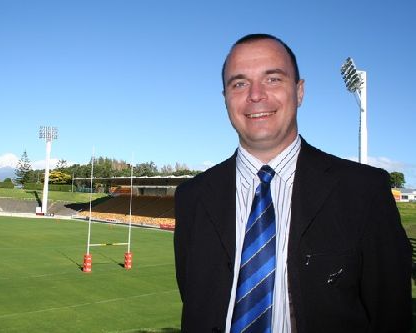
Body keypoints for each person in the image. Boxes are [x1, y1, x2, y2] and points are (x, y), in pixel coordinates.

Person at [173, 33, 412, 333]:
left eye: (273, 79)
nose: (256, 95)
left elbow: (391, 316)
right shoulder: (192, 197)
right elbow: (195, 303)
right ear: (225, 99)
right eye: (239, 83)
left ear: (299, 92)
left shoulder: (364, 192)